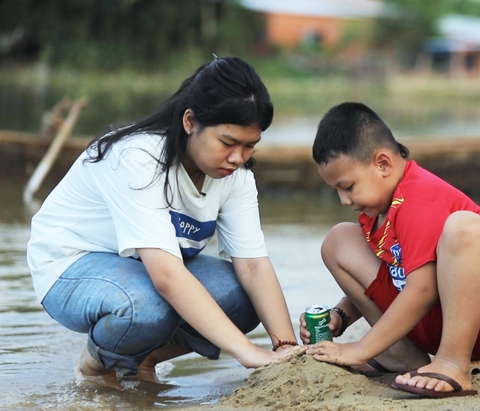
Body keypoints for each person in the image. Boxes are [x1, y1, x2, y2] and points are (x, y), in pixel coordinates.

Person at [26, 56, 305, 388]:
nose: (238, 158)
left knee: (245, 298)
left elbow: (254, 267)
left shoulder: (237, 176)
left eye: (249, 146)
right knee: (147, 304)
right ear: (191, 121)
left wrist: (287, 350)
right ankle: (95, 367)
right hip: (71, 266)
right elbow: (167, 278)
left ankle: (142, 359)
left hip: (143, 270)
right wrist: (246, 352)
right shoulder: (138, 158)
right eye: (228, 143)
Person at [301, 102, 480, 398]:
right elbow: (392, 274)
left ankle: (453, 363)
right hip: (432, 316)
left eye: (348, 187)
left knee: (464, 228)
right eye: (336, 190)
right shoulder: (377, 209)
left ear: (383, 164)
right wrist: (341, 314)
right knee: (339, 241)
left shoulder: (418, 198)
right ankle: (400, 355)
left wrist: (360, 349)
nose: (344, 200)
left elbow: (421, 290)